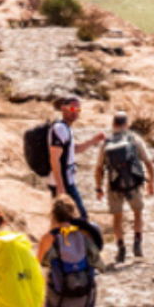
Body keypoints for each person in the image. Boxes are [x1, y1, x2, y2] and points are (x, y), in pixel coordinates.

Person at [94, 111, 154, 262]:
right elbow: (148, 162)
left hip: (114, 185)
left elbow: (99, 168)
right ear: (127, 124)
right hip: (133, 183)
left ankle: (121, 247)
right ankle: (137, 243)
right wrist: (151, 182)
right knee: (137, 212)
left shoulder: (106, 142)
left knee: (118, 217)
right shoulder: (134, 139)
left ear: (113, 124)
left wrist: (99, 188)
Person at [48, 95, 108, 227]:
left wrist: (93, 140)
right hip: (63, 183)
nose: (75, 112)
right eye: (72, 108)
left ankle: (56, 245)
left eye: (78, 110)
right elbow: (54, 158)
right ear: (63, 108)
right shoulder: (59, 128)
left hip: (67, 182)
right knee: (80, 218)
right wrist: (60, 186)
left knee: (62, 220)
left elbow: (74, 149)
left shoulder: (66, 128)